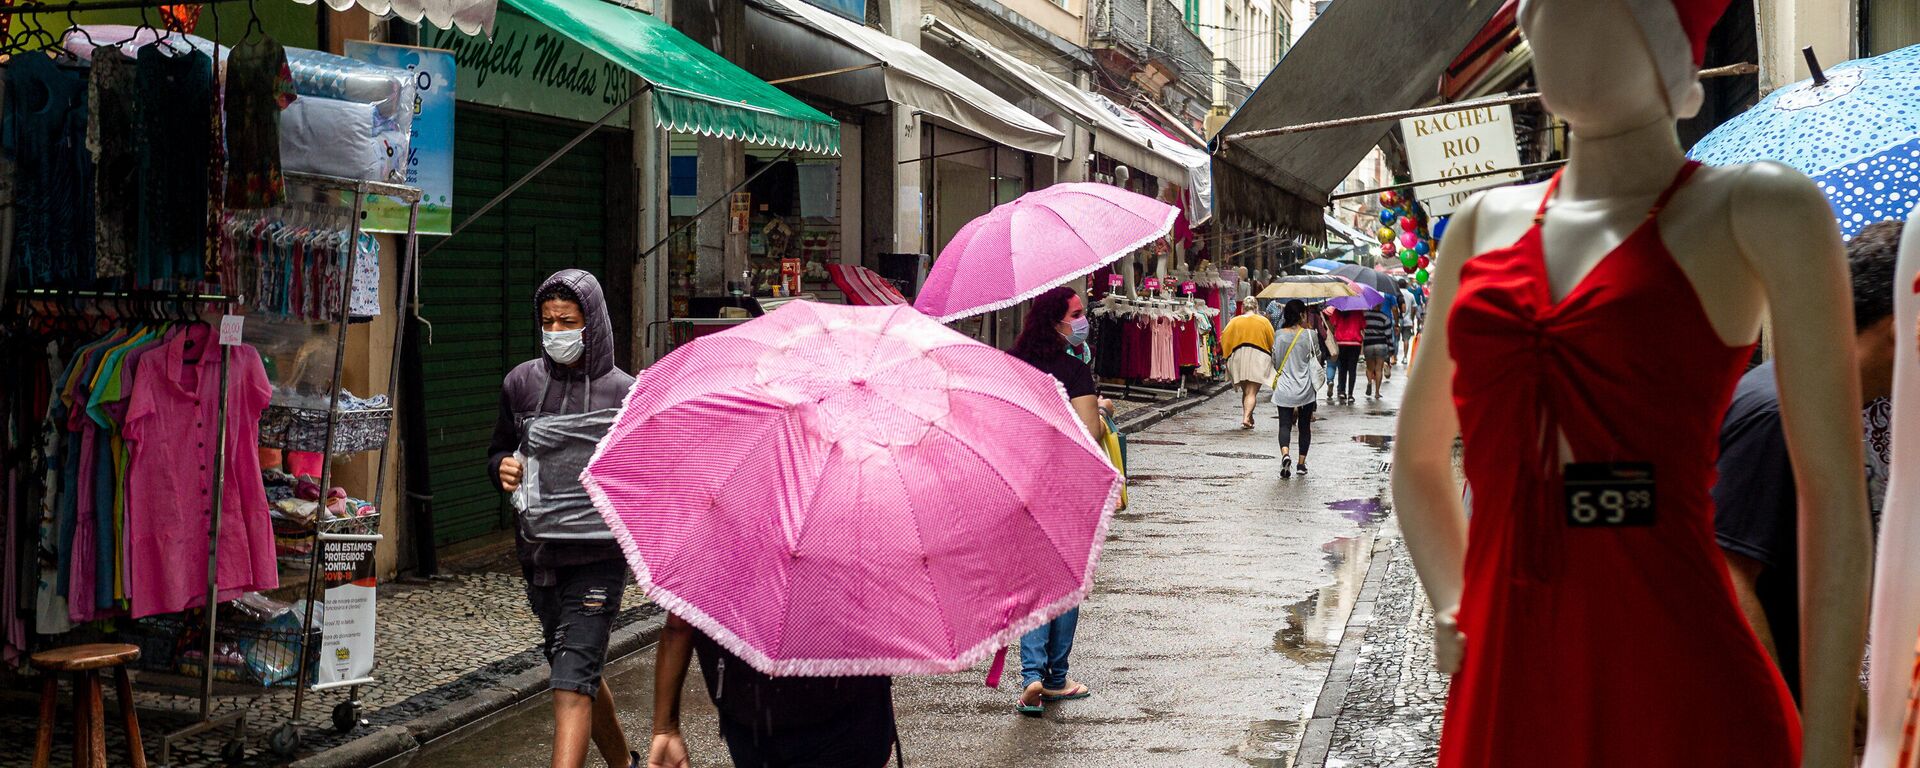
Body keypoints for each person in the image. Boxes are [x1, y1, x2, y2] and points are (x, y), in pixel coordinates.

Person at [1713, 220, 1902, 703]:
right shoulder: (1785, 411)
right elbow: (1729, 577)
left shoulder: (1823, 400)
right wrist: (1789, 726)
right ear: (1900, 332)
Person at [488, 270, 641, 768]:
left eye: (568, 321)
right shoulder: (521, 383)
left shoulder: (626, 394)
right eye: (548, 322)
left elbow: (643, 476)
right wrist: (502, 469)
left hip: (598, 559)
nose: (556, 332)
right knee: (578, 670)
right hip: (539, 558)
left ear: (592, 324)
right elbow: (498, 452)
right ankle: (625, 763)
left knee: (570, 684)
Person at [1008, 286, 1108, 716]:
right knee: (1065, 581)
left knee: (1032, 579)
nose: (1083, 320)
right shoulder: (1073, 371)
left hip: (1018, 482)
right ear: (1056, 321)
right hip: (1064, 487)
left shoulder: (1011, 367)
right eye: (1077, 313)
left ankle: (1030, 675)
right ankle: (1054, 678)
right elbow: (1089, 433)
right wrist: (1101, 412)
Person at [646, 614, 898, 767]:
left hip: (828, 722)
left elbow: (677, 628)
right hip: (755, 724)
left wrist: (665, 728)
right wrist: (664, 729)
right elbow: (678, 626)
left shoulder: (712, 539)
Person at [1270, 300, 1322, 478]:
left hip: (1284, 387)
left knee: (1284, 424)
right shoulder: (1310, 335)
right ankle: (1301, 464)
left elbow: (1276, 362)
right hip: (1306, 388)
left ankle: (1285, 454)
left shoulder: (1279, 334)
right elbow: (1318, 358)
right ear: (1301, 315)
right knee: (1304, 425)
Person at [1222, 298, 1276, 429]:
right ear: (1256, 307)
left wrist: (1227, 356)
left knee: (1246, 392)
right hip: (1259, 356)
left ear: (1243, 308)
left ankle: (1248, 416)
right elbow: (1272, 340)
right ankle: (1246, 417)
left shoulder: (1234, 321)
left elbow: (1224, 338)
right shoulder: (1263, 321)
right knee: (1251, 392)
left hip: (1239, 356)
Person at [1324, 307, 1364, 403]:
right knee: (1352, 370)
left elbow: (1332, 325)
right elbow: (1363, 326)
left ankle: (1342, 392)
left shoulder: (1337, 311)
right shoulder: (1358, 311)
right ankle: (1350, 394)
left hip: (1341, 343)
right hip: (1355, 343)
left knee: (1342, 369)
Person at [1361, 305, 1393, 399]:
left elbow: (1361, 328)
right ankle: (1377, 392)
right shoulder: (1384, 317)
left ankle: (1370, 382)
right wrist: (1391, 349)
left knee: (1369, 368)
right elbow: (1388, 334)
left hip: (1369, 344)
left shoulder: (1365, 316)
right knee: (1379, 369)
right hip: (1381, 345)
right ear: (1380, 306)